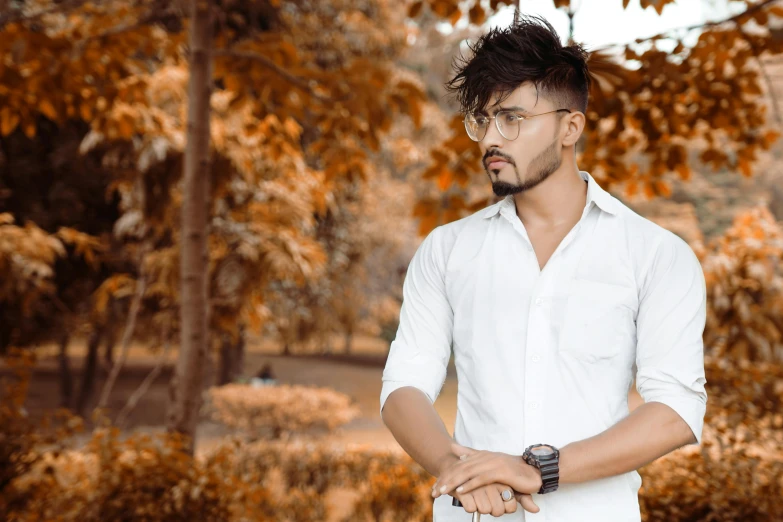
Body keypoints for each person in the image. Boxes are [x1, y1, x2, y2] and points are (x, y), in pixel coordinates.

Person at [379, 15, 707, 522]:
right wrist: (455, 468)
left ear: (569, 126)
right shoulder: (447, 250)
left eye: (511, 118)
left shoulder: (656, 255)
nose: (491, 138)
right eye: (483, 120)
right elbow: (402, 387)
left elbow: (677, 413)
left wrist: (537, 469)